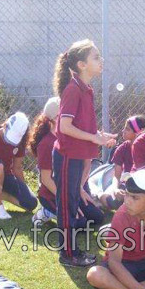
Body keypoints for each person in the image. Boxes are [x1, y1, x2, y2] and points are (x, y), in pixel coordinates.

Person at [52, 39, 117, 267]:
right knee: (67, 206)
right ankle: (68, 254)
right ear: (81, 64)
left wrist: (99, 136)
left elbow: (82, 126)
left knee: (72, 203)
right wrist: (93, 138)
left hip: (76, 157)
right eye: (96, 57)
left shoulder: (85, 89)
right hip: (67, 157)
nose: (101, 60)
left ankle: (71, 251)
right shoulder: (73, 89)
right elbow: (64, 127)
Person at [29, 96, 104, 228]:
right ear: (54, 118)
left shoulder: (72, 136)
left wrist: (79, 190)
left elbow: (84, 165)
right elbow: (46, 179)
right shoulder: (46, 144)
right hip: (53, 194)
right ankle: (46, 212)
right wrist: (67, 200)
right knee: (80, 224)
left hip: (71, 190)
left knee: (97, 217)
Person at [99, 114, 145, 210]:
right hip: (126, 183)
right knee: (108, 200)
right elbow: (116, 176)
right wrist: (115, 189)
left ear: (138, 132)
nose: (123, 131)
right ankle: (99, 194)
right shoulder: (122, 148)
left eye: (127, 129)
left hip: (143, 184)